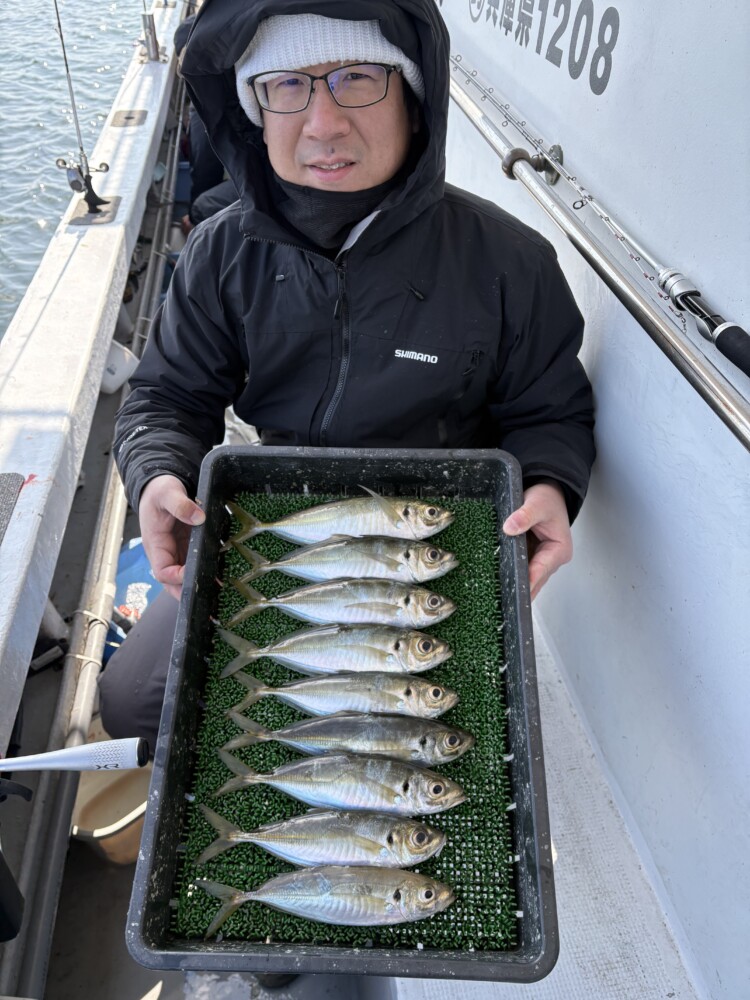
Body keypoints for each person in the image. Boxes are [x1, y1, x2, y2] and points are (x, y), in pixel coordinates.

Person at [101, 0, 595, 756]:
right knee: (132, 701)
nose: (323, 123)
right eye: (288, 86)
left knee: (449, 721)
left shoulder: (509, 262)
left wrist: (551, 485)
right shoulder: (219, 255)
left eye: (358, 78)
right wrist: (159, 472)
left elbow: (549, 411)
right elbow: (168, 396)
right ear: (255, 110)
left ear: (414, 95)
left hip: (438, 529)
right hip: (283, 511)